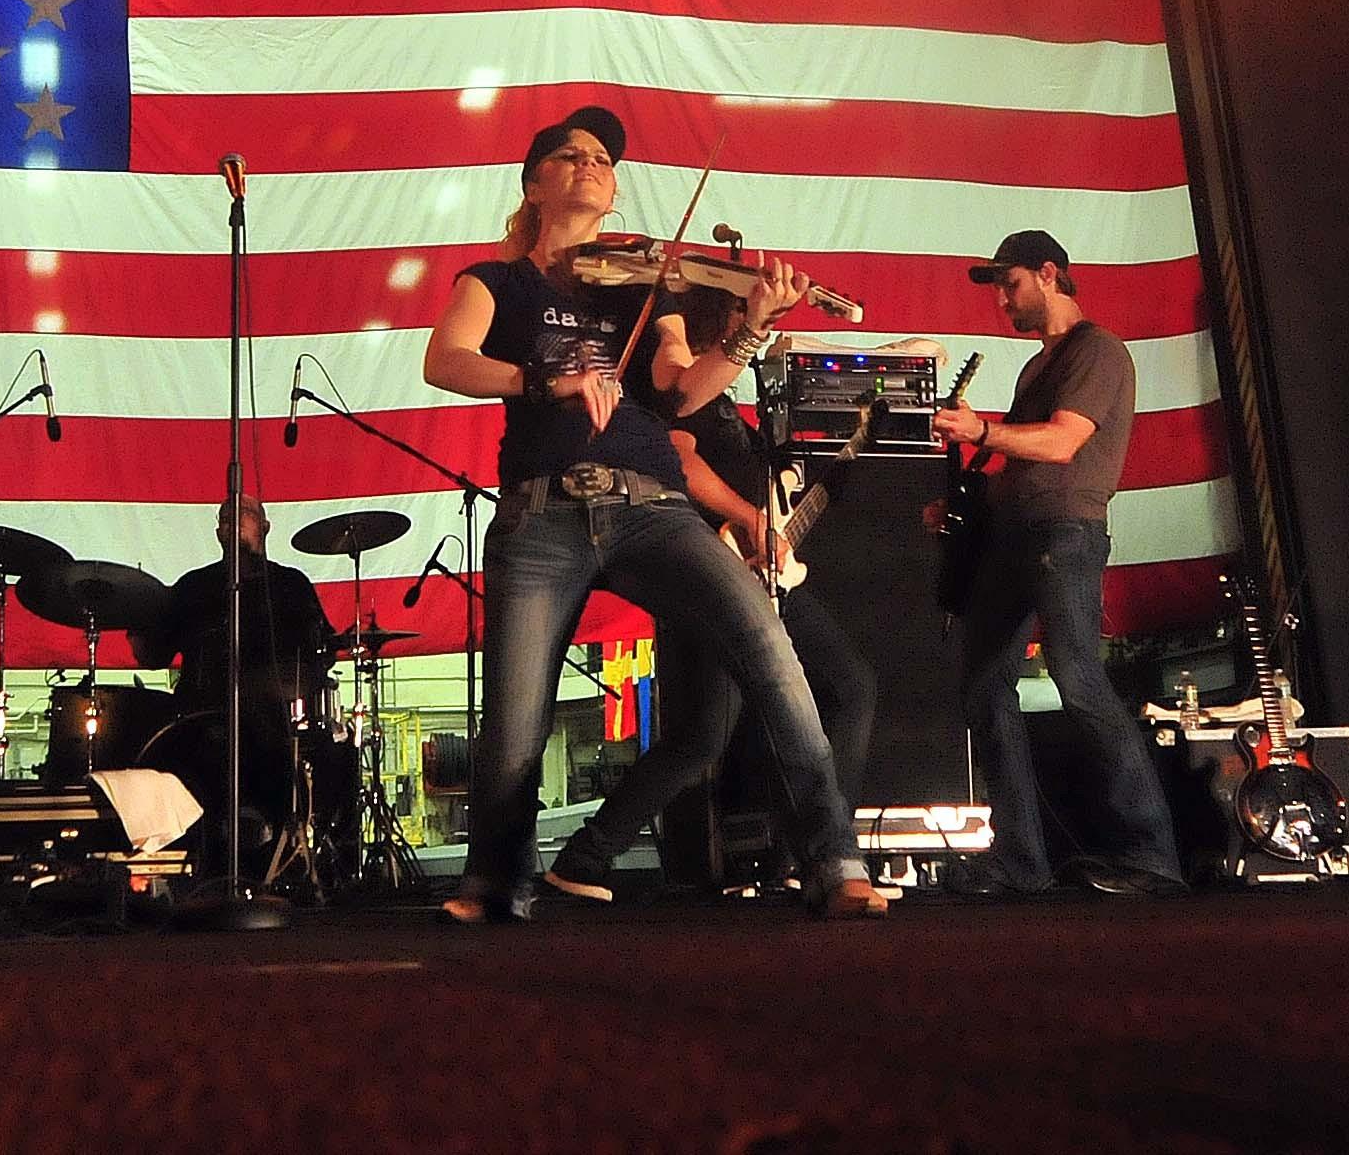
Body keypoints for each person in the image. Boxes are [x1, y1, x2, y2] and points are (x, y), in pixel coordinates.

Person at [422, 104, 883, 921]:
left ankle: (834, 859)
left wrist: (749, 326)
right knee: (517, 718)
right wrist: (547, 381)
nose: (592, 163)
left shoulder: (647, 285)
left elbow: (679, 385)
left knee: (768, 649)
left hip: (653, 503)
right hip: (544, 507)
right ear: (535, 183)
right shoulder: (495, 282)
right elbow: (446, 359)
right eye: (569, 154)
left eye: (603, 157)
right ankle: (495, 882)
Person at [540, 365, 881, 903]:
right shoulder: (685, 386)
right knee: (836, 692)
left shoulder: (732, 405)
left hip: (755, 576)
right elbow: (676, 459)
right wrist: (750, 519)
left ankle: (587, 858)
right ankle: (821, 858)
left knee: (703, 736)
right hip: (714, 572)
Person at [924, 229, 1183, 897]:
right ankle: (1020, 860)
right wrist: (965, 499)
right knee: (984, 686)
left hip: (1064, 532)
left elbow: (1064, 442)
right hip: (1016, 536)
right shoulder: (1037, 367)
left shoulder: (1096, 350)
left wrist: (979, 430)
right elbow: (1021, 458)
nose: (1002, 301)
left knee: (1079, 680)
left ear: (1048, 273)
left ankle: (1152, 852)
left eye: (1009, 284)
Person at [144, 496, 337, 857]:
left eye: (243, 514)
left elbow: (320, 653)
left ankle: (286, 851)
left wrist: (274, 683)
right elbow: (152, 654)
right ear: (218, 531)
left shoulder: (291, 586)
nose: (233, 521)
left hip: (273, 723)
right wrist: (136, 615)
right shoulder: (192, 587)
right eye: (225, 517)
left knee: (322, 751)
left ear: (264, 526)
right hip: (199, 722)